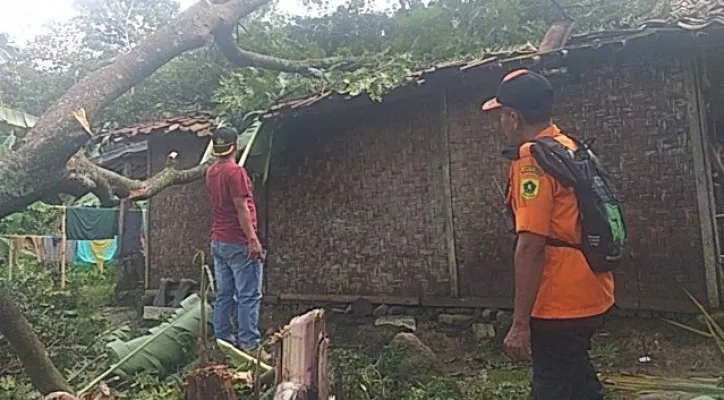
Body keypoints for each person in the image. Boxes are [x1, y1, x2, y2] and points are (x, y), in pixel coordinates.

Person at [482, 69, 615, 400]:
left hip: (560, 302)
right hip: (594, 287)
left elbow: (530, 246)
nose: (501, 122)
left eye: (501, 114)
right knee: (577, 381)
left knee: (553, 386)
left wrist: (520, 324)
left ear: (513, 117)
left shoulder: (532, 163)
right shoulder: (568, 146)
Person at [205, 127, 268, 359]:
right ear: (236, 146)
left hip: (219, 240)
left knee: (224, 294)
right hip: (238, 242)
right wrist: (252, 240)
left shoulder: (211, 172)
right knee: (249, 295)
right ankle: (250, 345)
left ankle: (223, 340)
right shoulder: (236, 172)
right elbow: (241, 208)